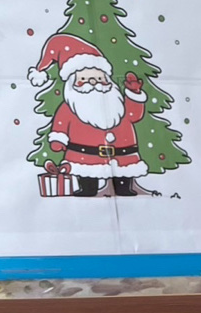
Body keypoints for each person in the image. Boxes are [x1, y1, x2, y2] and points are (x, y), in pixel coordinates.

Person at [28, 34, 147, 196]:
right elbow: (61, 123)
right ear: (73, 82)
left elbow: (133, 115)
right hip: (83, 153)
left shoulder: (116, 102)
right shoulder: (70, 107)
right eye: (84, 78)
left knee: (124, 173)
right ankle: (88, 188)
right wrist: (58, 139)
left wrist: (134, 94)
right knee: (86, 172)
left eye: (98, 77)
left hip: (122, 152)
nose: (93, 82)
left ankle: (124, 187)